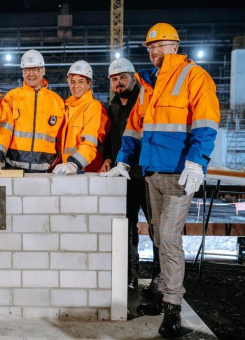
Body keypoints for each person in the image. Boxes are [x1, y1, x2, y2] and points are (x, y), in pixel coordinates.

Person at [101, 23, 220, 338]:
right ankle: (160, 294)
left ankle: (173, 308)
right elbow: (134, 130)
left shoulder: (195, 77)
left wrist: (197, 162)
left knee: (168, 237)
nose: (155, 51)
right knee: (157, 235)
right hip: (152, 172)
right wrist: (125, 160)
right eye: (151, 47)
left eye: (161, 46)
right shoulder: (149, 86)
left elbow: (206, 123)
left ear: (176, 47)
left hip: (180, 174)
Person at [100, 57, 160, 290]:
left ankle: (158, 279)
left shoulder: (146, 101)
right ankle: (129, 278)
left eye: (123, 77)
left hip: (147, 175)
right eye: (114, 79)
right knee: (127, 229)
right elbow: (109, 139)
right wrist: (107, 158)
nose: (119, 83)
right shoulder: (112, 107)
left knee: (157, 229)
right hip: (124, 178)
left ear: (133, 77)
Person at [0, 49, 65, 172]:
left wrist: (65, 164)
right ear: (22, 73)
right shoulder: (12, 97)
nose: (31, 74)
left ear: (43, 71)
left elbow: (62, 139)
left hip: (46, 171)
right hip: (14, 168)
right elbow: (4, 131)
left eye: (35, 69)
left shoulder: (57, 101)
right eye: (27, 70)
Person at [53, 60, 108, 175]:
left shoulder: (94, 107)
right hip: (66, 170)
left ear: (89, 84)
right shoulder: (65, 107)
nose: (76, 86)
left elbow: (90, 143)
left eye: (81, 82)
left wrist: (74, 163)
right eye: (72, 82)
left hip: (87, 171)